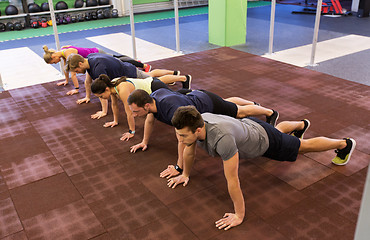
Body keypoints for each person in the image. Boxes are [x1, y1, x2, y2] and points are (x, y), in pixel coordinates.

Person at [168, 106, 356, 230]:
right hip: (252, 127)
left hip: (265, 141)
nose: (180, 139)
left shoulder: (221, 139)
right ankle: (301, 124)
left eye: (183, 135)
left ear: (198, 130)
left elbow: (232, 179)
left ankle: (343, 144)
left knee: (302, 147)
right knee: (280, 132)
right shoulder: (197, 121)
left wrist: (239, 215)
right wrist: (184, 173)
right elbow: (189, 151)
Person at [126, 88, 279, 176]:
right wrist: (144, 142)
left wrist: (179, 168)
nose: (133, 114)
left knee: (239, 113)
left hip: (207, 103)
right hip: (198, 97)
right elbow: (150, 120)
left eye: (135, 111)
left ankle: (270, 112)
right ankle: (253, 104)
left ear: (146, 105)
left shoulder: (172, 110)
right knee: (228, 103)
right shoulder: (153, 100)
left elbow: (182, 140)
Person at [66, 53, 179, 119]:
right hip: (125, 72)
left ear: (80, 64)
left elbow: (102, 90)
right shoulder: (89, 59)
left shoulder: (98, 69)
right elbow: (88, 81)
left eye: (76, 70)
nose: (78, 72)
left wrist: (104, 112)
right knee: (152, 77)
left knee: (153, 79)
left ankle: (179, 77)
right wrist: (87, 97)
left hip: (130, 73)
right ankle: (175, 75)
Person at [91, 73, 192, 141]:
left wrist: (132, 131)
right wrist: (115, 121)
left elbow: (129, 112)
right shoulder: (112, 87)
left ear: (107, 89)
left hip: (153, 87)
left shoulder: (122, 90)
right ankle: (184, 81)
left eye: (101, 96)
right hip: (149, 83)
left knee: (175, 98)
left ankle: (189, 93)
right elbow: (114, 105)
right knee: (164, 85)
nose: (102, 98)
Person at [43, 45, 151, 95]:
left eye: (54, 62)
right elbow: (68, 70)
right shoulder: (62, 50)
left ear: (53, 57)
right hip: (92, 60)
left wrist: (76, 88)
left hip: (96, 53)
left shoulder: (69, 55)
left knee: (118, 59)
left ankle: (141, 64)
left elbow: (73, 74)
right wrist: (66, 81)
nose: (56, 63)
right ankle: (141, 66)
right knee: (118, 60)